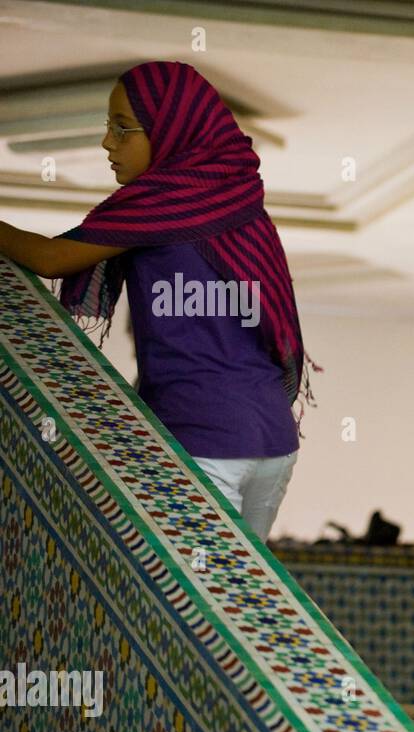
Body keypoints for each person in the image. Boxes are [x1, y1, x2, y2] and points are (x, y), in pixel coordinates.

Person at [0, 61, 311, 541]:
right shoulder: (239, 201)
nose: (108, 142)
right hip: (272, 438)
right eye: (109, 126)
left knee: (200, 605)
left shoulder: (164, 204)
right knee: (236, 594)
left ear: (171, 130)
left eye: (123, 128)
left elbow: (51, 257)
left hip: (205, 438)